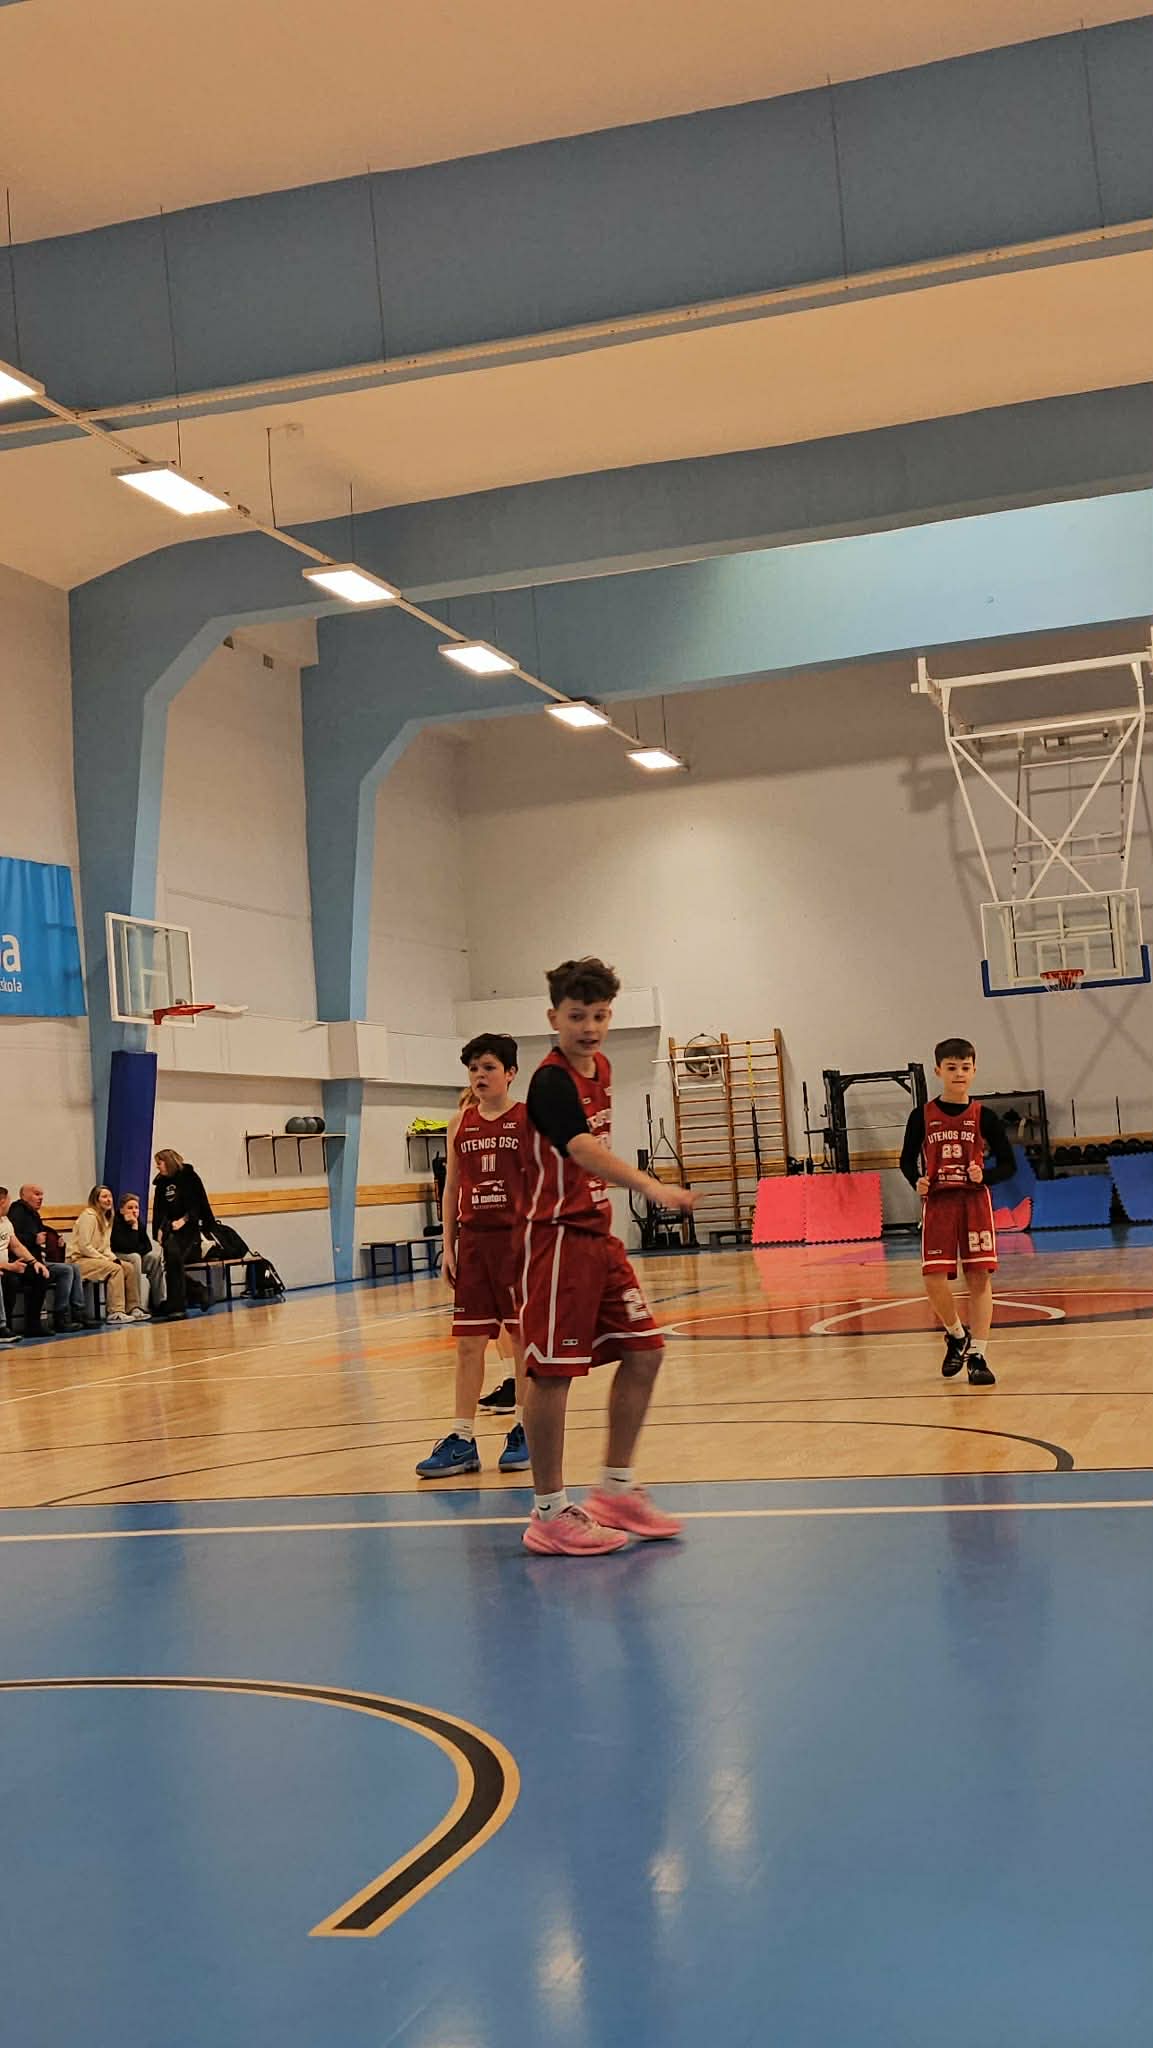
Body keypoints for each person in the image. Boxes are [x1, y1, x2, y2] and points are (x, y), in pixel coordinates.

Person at [517, 956, 695, 1556]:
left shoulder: (604, 1068)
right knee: (551, 1374)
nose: (589, 1027)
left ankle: (615, 1491)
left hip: (599, 1238)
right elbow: (582, 1148)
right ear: (554, 1018)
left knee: (645, 1353)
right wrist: (649, 1185)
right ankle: (548, 1512)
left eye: (598, 1015)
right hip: (557, 1240)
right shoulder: (550, 1082)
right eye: (577, 1016)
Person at [417, 1036, 530, 1478]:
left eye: (488, 1067)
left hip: (518, 1242)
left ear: (510, 1073)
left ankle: (526, 1428)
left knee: (521, 1339)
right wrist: (449, 1246)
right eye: (473, 1069)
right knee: (468, 1344)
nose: (479, 1076)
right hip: (475, 1244)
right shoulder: (459, 1123)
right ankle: (462, 1438)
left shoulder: (527, 1119)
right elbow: (451, 1189)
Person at [898, 1037, 1016, 1386]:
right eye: (952, 1067)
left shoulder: (985, 1116)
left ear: (974, 1070)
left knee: (979, 1278)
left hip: (974, 1203)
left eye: (965, 1067)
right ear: (938, 1071)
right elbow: (906, 1160)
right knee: (933, 1279)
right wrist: (916, 1180)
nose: (959, 1073)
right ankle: (956, 1334)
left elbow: (1008, 1164)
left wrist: (985, 1175)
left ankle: (978, 1354)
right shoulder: (922, 1116)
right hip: (939, 1203)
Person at [9, 1183, 88, 1331]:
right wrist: (33, 1239)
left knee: (74, 1268)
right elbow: (14, 1240)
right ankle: (61, 1316)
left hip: (39, 1261)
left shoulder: (33, 1214)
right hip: (25, 1263)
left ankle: (79, 1312)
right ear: (24, 1195)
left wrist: (57, 1240)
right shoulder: (18, 1212)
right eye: (37, 1194)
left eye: (42, 1194)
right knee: (66, 1271)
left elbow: (43, 1233)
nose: (41, 1198)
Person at [65, 1185, 145, 1323]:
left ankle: (133, 1308)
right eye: (104, 1197)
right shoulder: (89, 1216)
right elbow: (85, 1246)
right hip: (78, 1260)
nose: (109, 1200)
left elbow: (106, 1247)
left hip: (96, 1259)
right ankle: (115, 1312)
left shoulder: (106, 1218)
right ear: (96, 1200)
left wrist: (113, 1258)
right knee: (115, 1269)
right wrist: (105, 1260)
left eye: (110, 1197)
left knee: (128, 1267)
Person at [151, 1149, 214, 1318]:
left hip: (189, 1231)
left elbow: (197, 1204)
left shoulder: (189, 1177)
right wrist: (158, 1229)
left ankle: (177, 1304)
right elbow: (159, 1210)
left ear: (168, 1162)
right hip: (170, 1230)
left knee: (174, 1260)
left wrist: (184, 1220)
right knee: (172, 1262)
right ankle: (196, 1292)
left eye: (159, 1163)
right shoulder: (161, 1183)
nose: (157, 1166)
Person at [0, 1186, 52, 1342]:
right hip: (4, 1268)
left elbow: (16, 1246)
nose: (10, 1204)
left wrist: (34, 1262)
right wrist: (9, 1266)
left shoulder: (5, 1221)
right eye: (8, 1201)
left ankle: (33, 1325)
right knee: (10, 1280)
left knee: (39, 1275)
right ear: (2, 1202)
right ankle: (4, 1326)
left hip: (7, 1266)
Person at [111, 1193, 167, 1312]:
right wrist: (134, 1230)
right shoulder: (116, 1223)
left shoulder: (137, 1222)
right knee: (135, 1257)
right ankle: (135, 1305)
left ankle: (159, 1302)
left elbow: (148, 1246)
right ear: (121, 1210)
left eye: (136, 1208)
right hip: (117, 1257)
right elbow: (124, 1247)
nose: (134, 1211)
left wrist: (135, 1229)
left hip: (134, 1256)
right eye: (130, 1208)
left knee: (154, 1257)